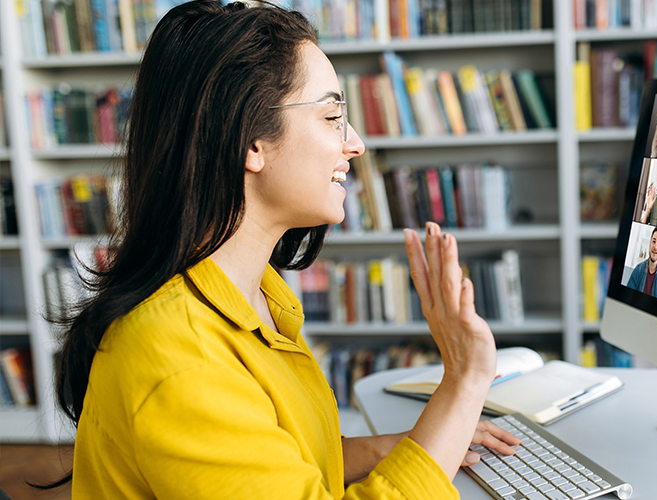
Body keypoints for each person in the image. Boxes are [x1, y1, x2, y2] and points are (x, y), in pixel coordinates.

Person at [47, 2, 517, 498]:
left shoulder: (258, 296)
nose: (355, 143)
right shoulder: (179, 355)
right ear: (252, 141)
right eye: (333, 115)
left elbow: (278, 458)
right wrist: (465, 380)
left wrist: (411, 446)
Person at [625, 227, 657, 302]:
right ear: (650, 244)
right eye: (653, 241)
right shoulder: (638, 269)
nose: (655, 247)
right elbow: (627, 297)